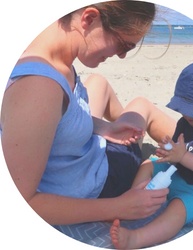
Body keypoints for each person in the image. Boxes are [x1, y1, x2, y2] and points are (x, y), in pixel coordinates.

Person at [0, 1, 176, 225]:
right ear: (89, 19)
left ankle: (126, 132)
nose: (122, 56)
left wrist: (103, 127)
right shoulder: (39, 88)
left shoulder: (45, 55)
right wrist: (121, 206)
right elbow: (21, 201)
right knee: (142, 105)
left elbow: (50, 120)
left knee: (98, 82)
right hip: (97, 185)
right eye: (124, 45)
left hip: (82, 158)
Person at [110, 62, 193, 249]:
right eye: (184, 109)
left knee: (178, 207)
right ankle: (133, 200)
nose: (188, 115)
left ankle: (136, 238)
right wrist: (167, 150)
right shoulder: (185, 122)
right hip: (180, 175)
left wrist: (183, 156)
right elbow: (177, 150)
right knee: (149, 163)